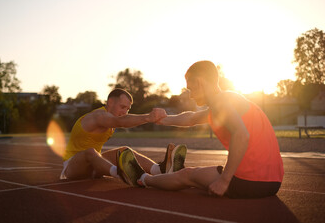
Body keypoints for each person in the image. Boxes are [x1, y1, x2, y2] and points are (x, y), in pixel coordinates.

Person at [118, 61, 284, 198]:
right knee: (196, 179)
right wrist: (162, 119)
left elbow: (241, 135)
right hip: (273, 182)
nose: (190, 95)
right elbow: (191, 118)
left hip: (251, 181)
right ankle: (167, 173)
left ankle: (143, 179)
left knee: (187, 175)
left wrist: (224, 181)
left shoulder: (220, 102)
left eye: (190, 89)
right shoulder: (229, 99)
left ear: (199, 82)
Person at [60, 88, 187, 186]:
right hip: (72, 168)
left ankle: (160, 170)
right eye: (122, 107)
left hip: (94, 167)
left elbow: (122, 120)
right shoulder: (98, 116)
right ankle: (122, 173)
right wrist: (148, 117)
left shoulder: (111, 121)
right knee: (90, 152)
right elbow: (121, 121)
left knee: (124, 150)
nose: (125, 112)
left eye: (127, 109)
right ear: (110, 102)